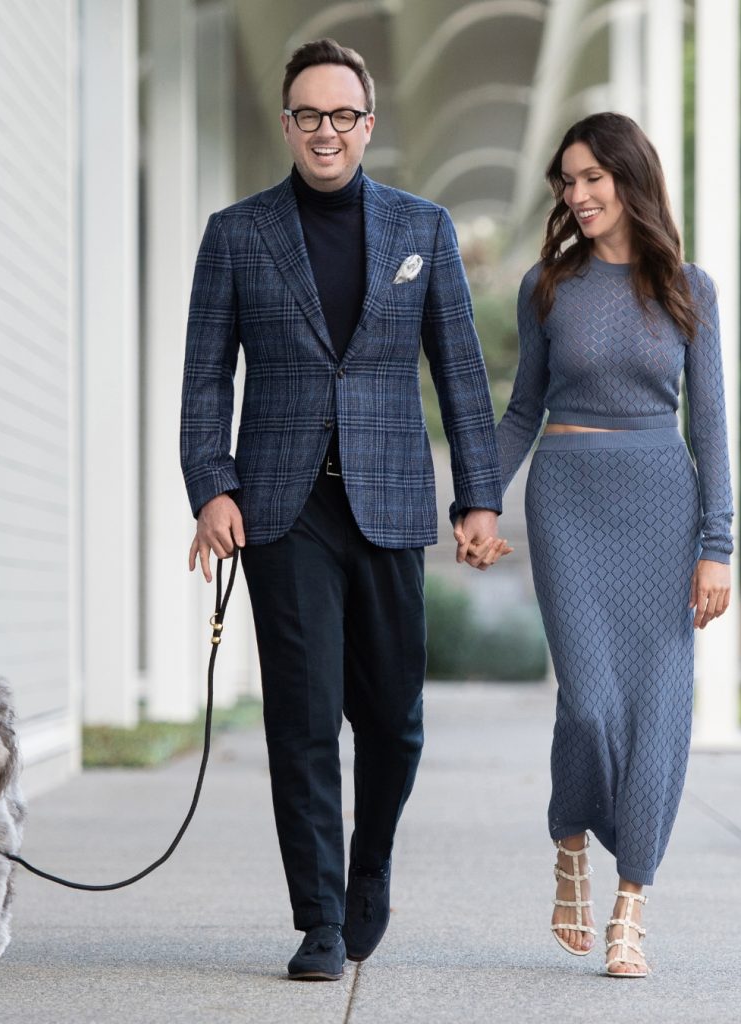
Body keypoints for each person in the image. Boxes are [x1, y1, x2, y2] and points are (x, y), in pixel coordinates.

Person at [180, 38, 511, 981]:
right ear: (286, 124)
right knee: (303, 719)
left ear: (368, 125)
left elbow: (459, 373)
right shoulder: (236, 234)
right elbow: (206, 377)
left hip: (390, 504)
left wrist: (477, 499)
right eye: (307, 115)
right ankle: (320, 918)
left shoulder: (423, 229)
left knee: (394, 722)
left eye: (342, 116)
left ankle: (371, 871)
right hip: (281, 512)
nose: (325, 131)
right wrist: (211, 485)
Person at [494, 112, 733, 978]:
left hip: (663, 508)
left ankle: (631, 902)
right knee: (591, 704)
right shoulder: (546, 286)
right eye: (567, 180)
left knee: (660, 713)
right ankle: (568, 837)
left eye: (592, 177)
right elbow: (523, 407)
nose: (577, 193)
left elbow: (707, 427)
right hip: (568, 502)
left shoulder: (687, 289)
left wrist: (718, 545)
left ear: (630, 180)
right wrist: (478, 501)